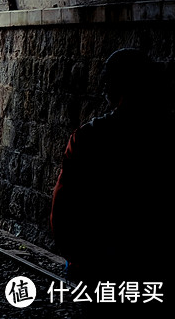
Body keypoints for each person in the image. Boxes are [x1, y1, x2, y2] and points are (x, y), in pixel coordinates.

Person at [50, 48, 171, 308]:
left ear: (113, 89)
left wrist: (77, 257)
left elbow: (62, 208)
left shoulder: (87, 138)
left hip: (98, 266)